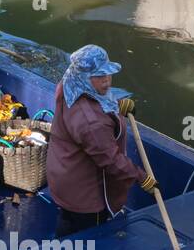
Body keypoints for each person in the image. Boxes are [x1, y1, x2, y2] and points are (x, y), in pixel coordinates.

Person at [46, 45, 156, 238]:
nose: (107, 81)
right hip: (84, 193)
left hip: (63, 174)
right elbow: (111, 160)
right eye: (99, 77)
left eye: (108, 74)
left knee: (68, 221)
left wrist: (115, 105)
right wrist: (141, 178)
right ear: (85, 78)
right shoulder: (91, 123)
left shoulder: (69, 83)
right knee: (88, 234)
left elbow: (96, 100)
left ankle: (61, 246)